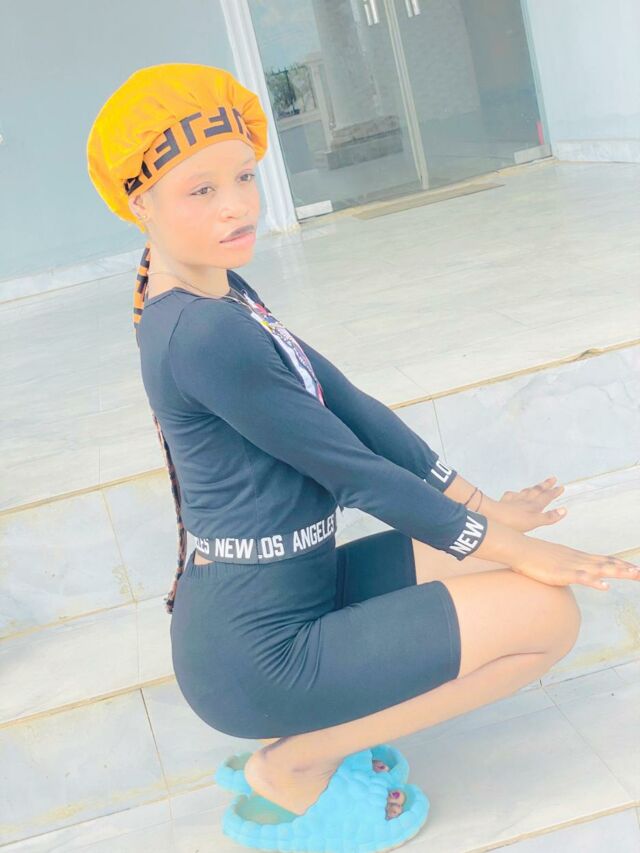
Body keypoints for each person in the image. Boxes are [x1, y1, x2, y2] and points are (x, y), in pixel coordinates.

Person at [86, 63, 640, 837]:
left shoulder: (219, 291)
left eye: (243, 176)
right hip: (258, 652)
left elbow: (350, 406)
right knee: (548, 616)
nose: (237, 204)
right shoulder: (200, 333)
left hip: (302, 588)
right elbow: (352, 472)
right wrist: (518, 547)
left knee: (511, 573)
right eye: (201, 189)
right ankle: (297, 761)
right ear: (140, 202)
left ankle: (310, 745)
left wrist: (483, 507)